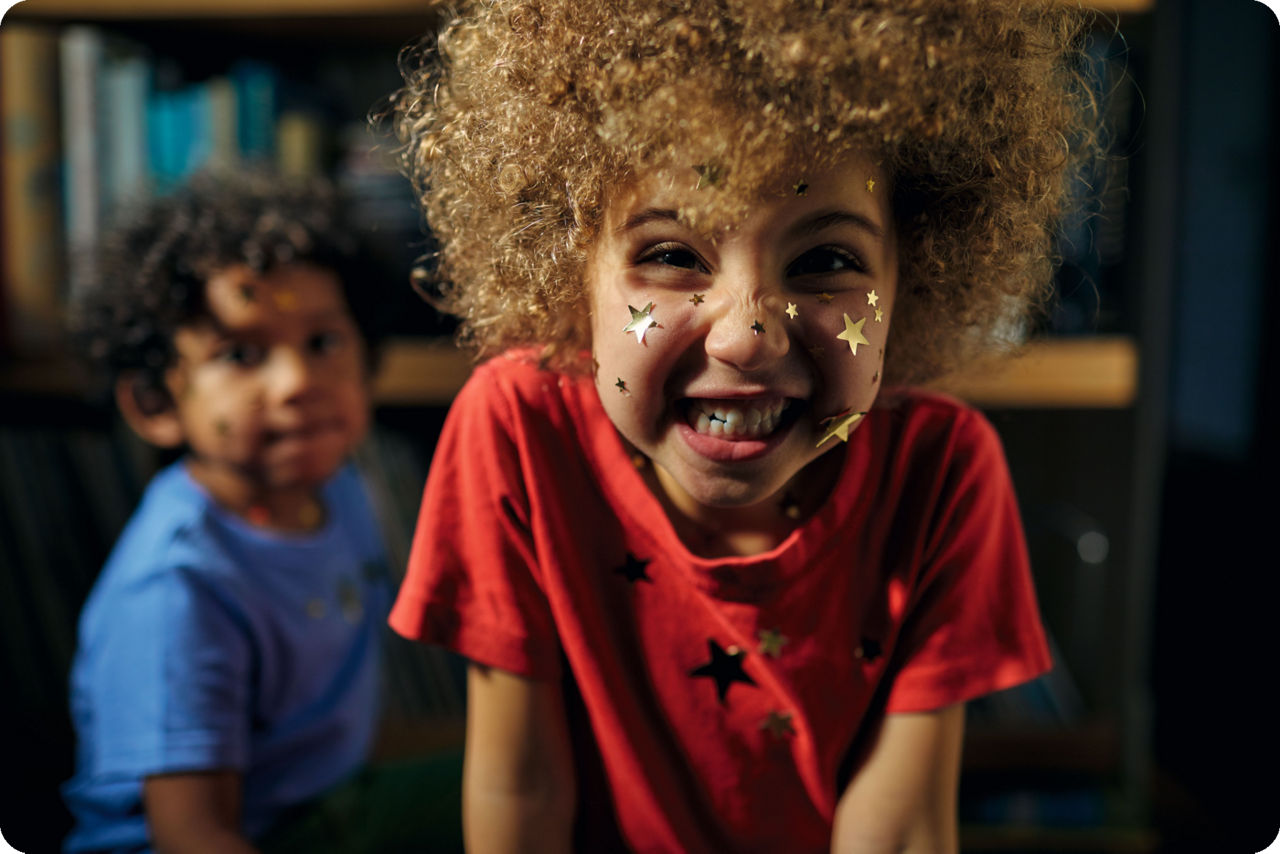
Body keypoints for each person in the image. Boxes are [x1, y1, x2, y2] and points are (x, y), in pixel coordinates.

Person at [386, 1, 1099, 851]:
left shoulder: (940, 470)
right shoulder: (518, 429)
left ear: (912, 276)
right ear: (571, 265)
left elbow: (900, 827)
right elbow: (522, 791)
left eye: (825, 261)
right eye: (672, 255)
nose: (747, 337)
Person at [61, 173, 396, 852]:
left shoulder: (337, 489)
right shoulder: (177, 587)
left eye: (324, 343)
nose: (297, 382)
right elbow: (191, 834)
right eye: (241, 354)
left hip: (324, 806)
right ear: (156, 404)